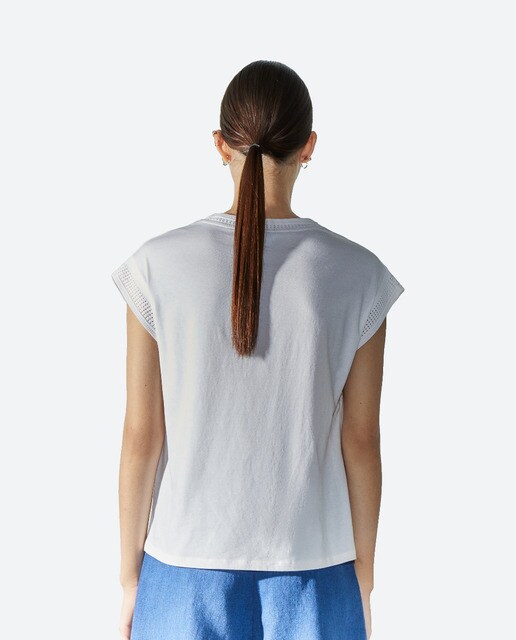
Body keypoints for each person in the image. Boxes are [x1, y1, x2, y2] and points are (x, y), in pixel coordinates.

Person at [111, 60, 405, 640]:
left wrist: (128, 580)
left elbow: (143, 437)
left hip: (181, 571)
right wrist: (364, 581)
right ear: (308, 146)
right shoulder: (358, 274)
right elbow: (361, 440)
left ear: (221, 144)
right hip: (317, 571)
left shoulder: (155, 266)